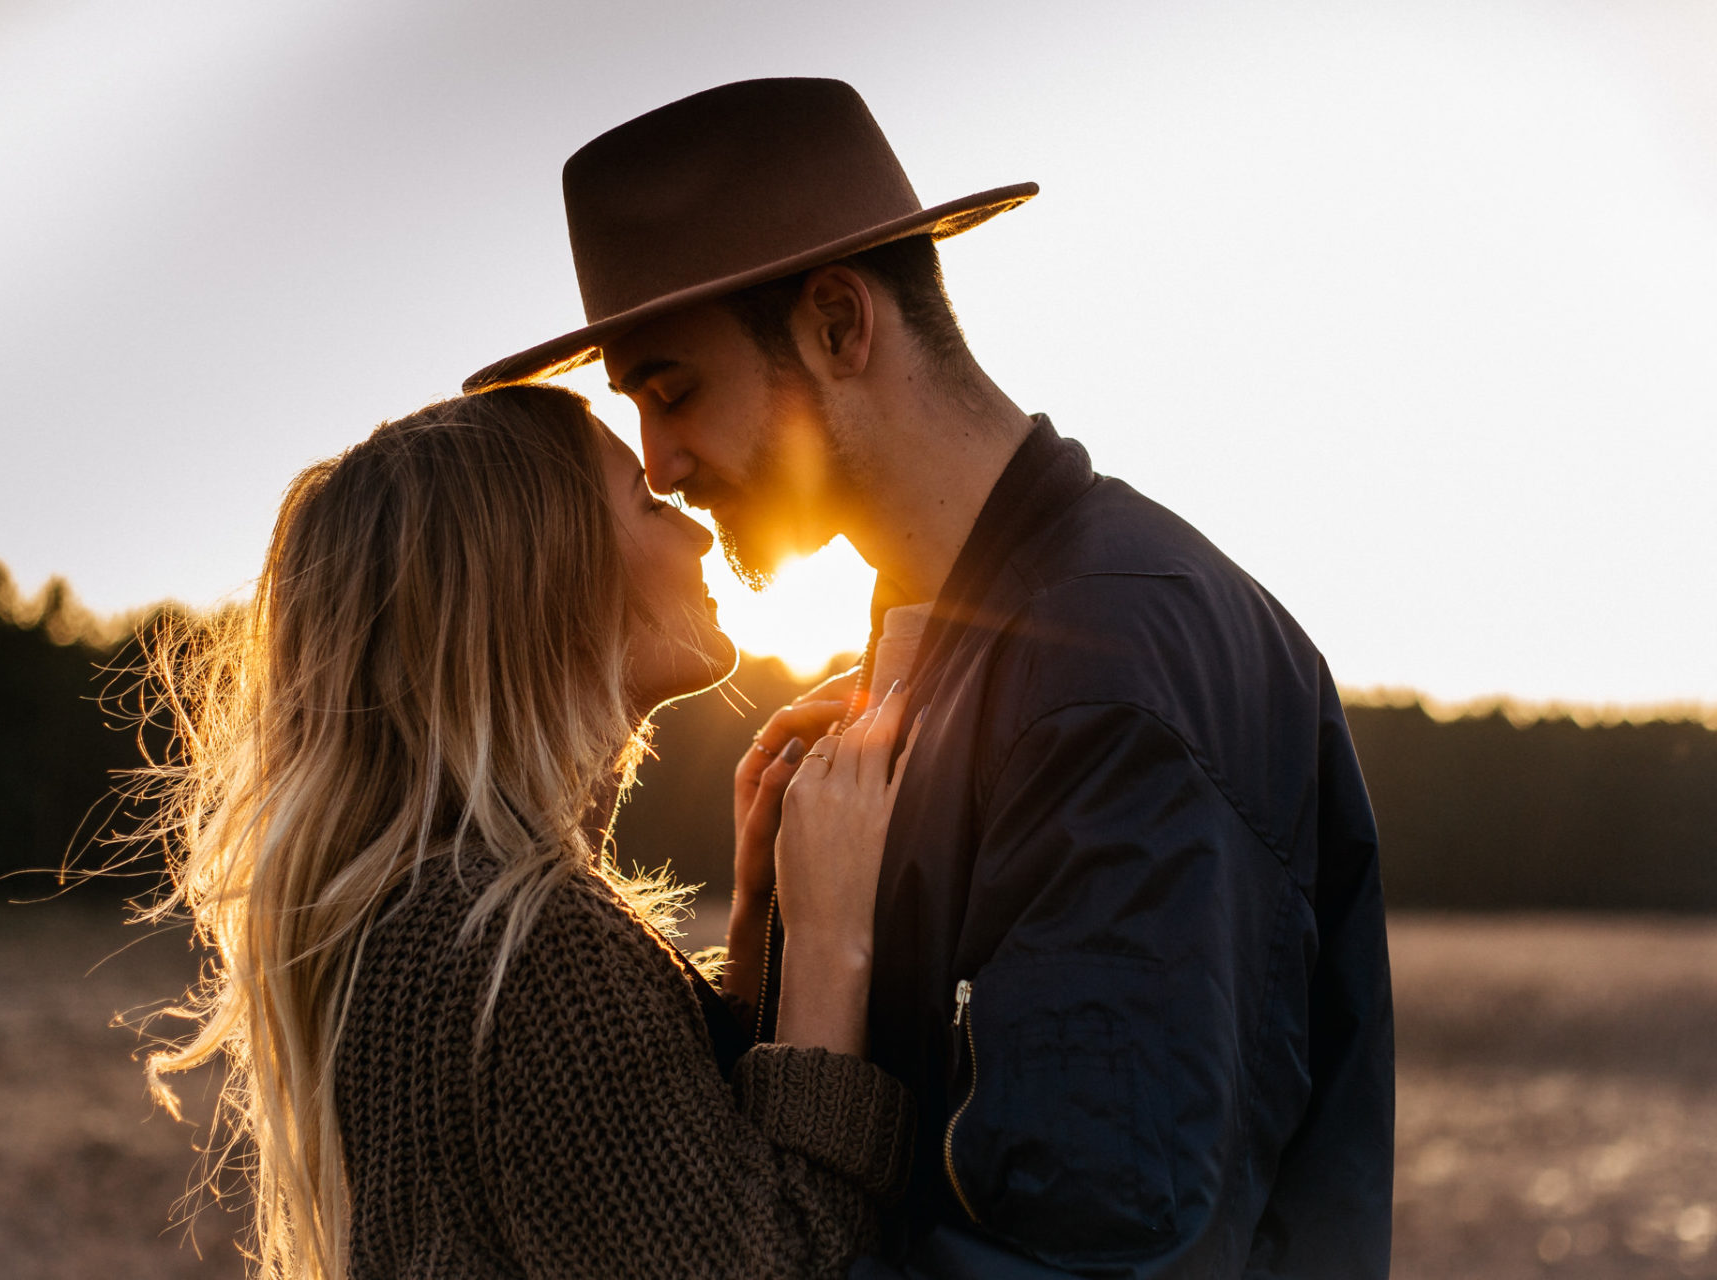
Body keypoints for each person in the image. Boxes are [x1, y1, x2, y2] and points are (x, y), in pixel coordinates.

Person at [463, 78, 1396, 1277]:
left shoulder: (1109, 670)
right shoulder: (938, 654)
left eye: (674, 389)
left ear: (840, 325)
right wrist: (767, 954)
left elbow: (1089, 1255)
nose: (662, 461)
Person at [139, 384, 926, 1279]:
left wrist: (758, 913)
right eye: (646, 502)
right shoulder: (526, 945)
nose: (698, 531)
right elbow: (775, 1258)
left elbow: (650, 1187)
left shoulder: (434, 918)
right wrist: (830, 941)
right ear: (548, 576)